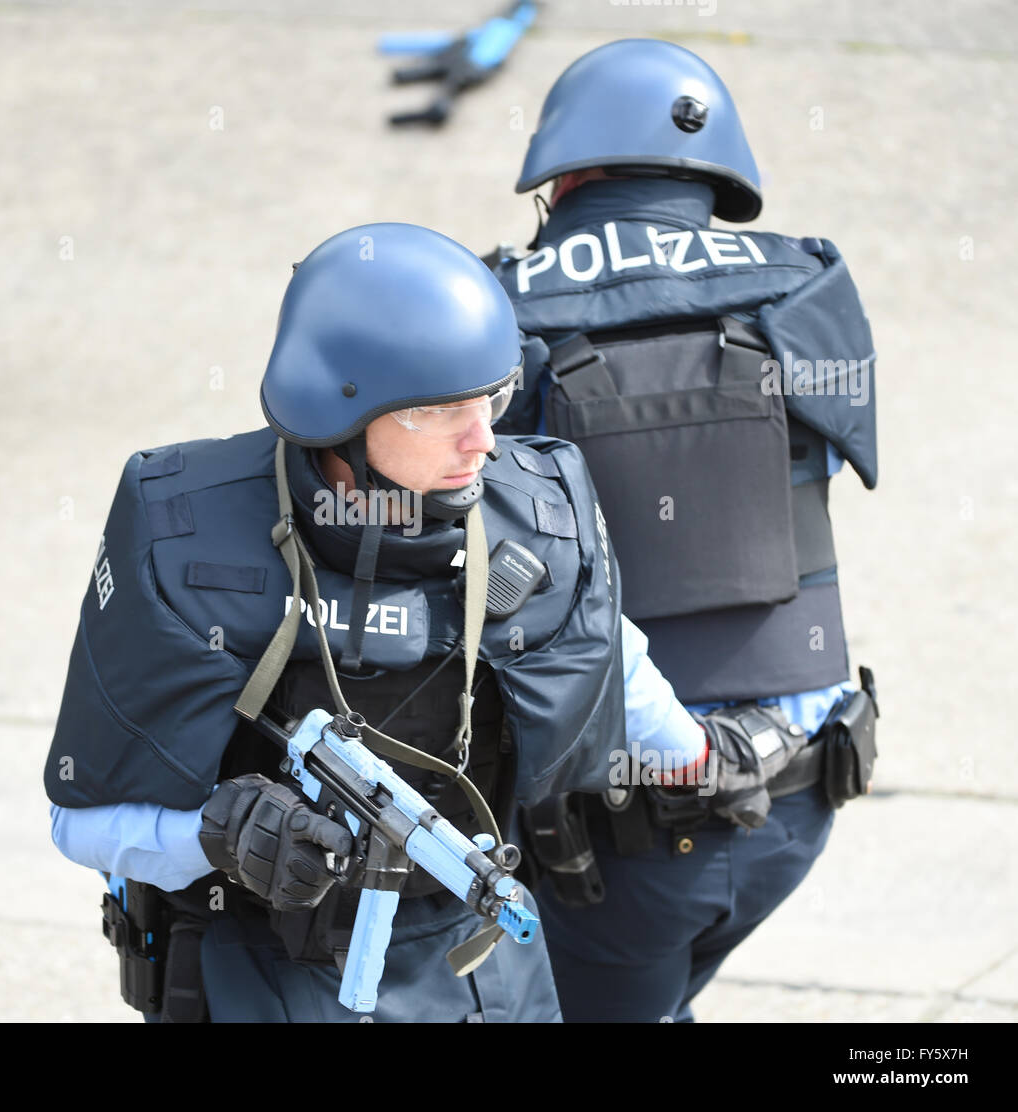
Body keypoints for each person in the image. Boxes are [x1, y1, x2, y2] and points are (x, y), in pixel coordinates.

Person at [43, 222, 708, 1023]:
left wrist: (704, 757)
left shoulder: (540, 515)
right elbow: (77, 818)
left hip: (474, 956)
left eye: (490, 399)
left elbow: (611, 663)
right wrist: (220, 836)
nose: (485, 441)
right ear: (338, 414)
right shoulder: (181, 528)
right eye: (440, 410)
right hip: (257, 958)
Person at [487, 39, 880, 1022]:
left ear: (565, 177)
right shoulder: (805, 284)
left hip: (607, 843)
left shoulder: (495, 307)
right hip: (798, 797)